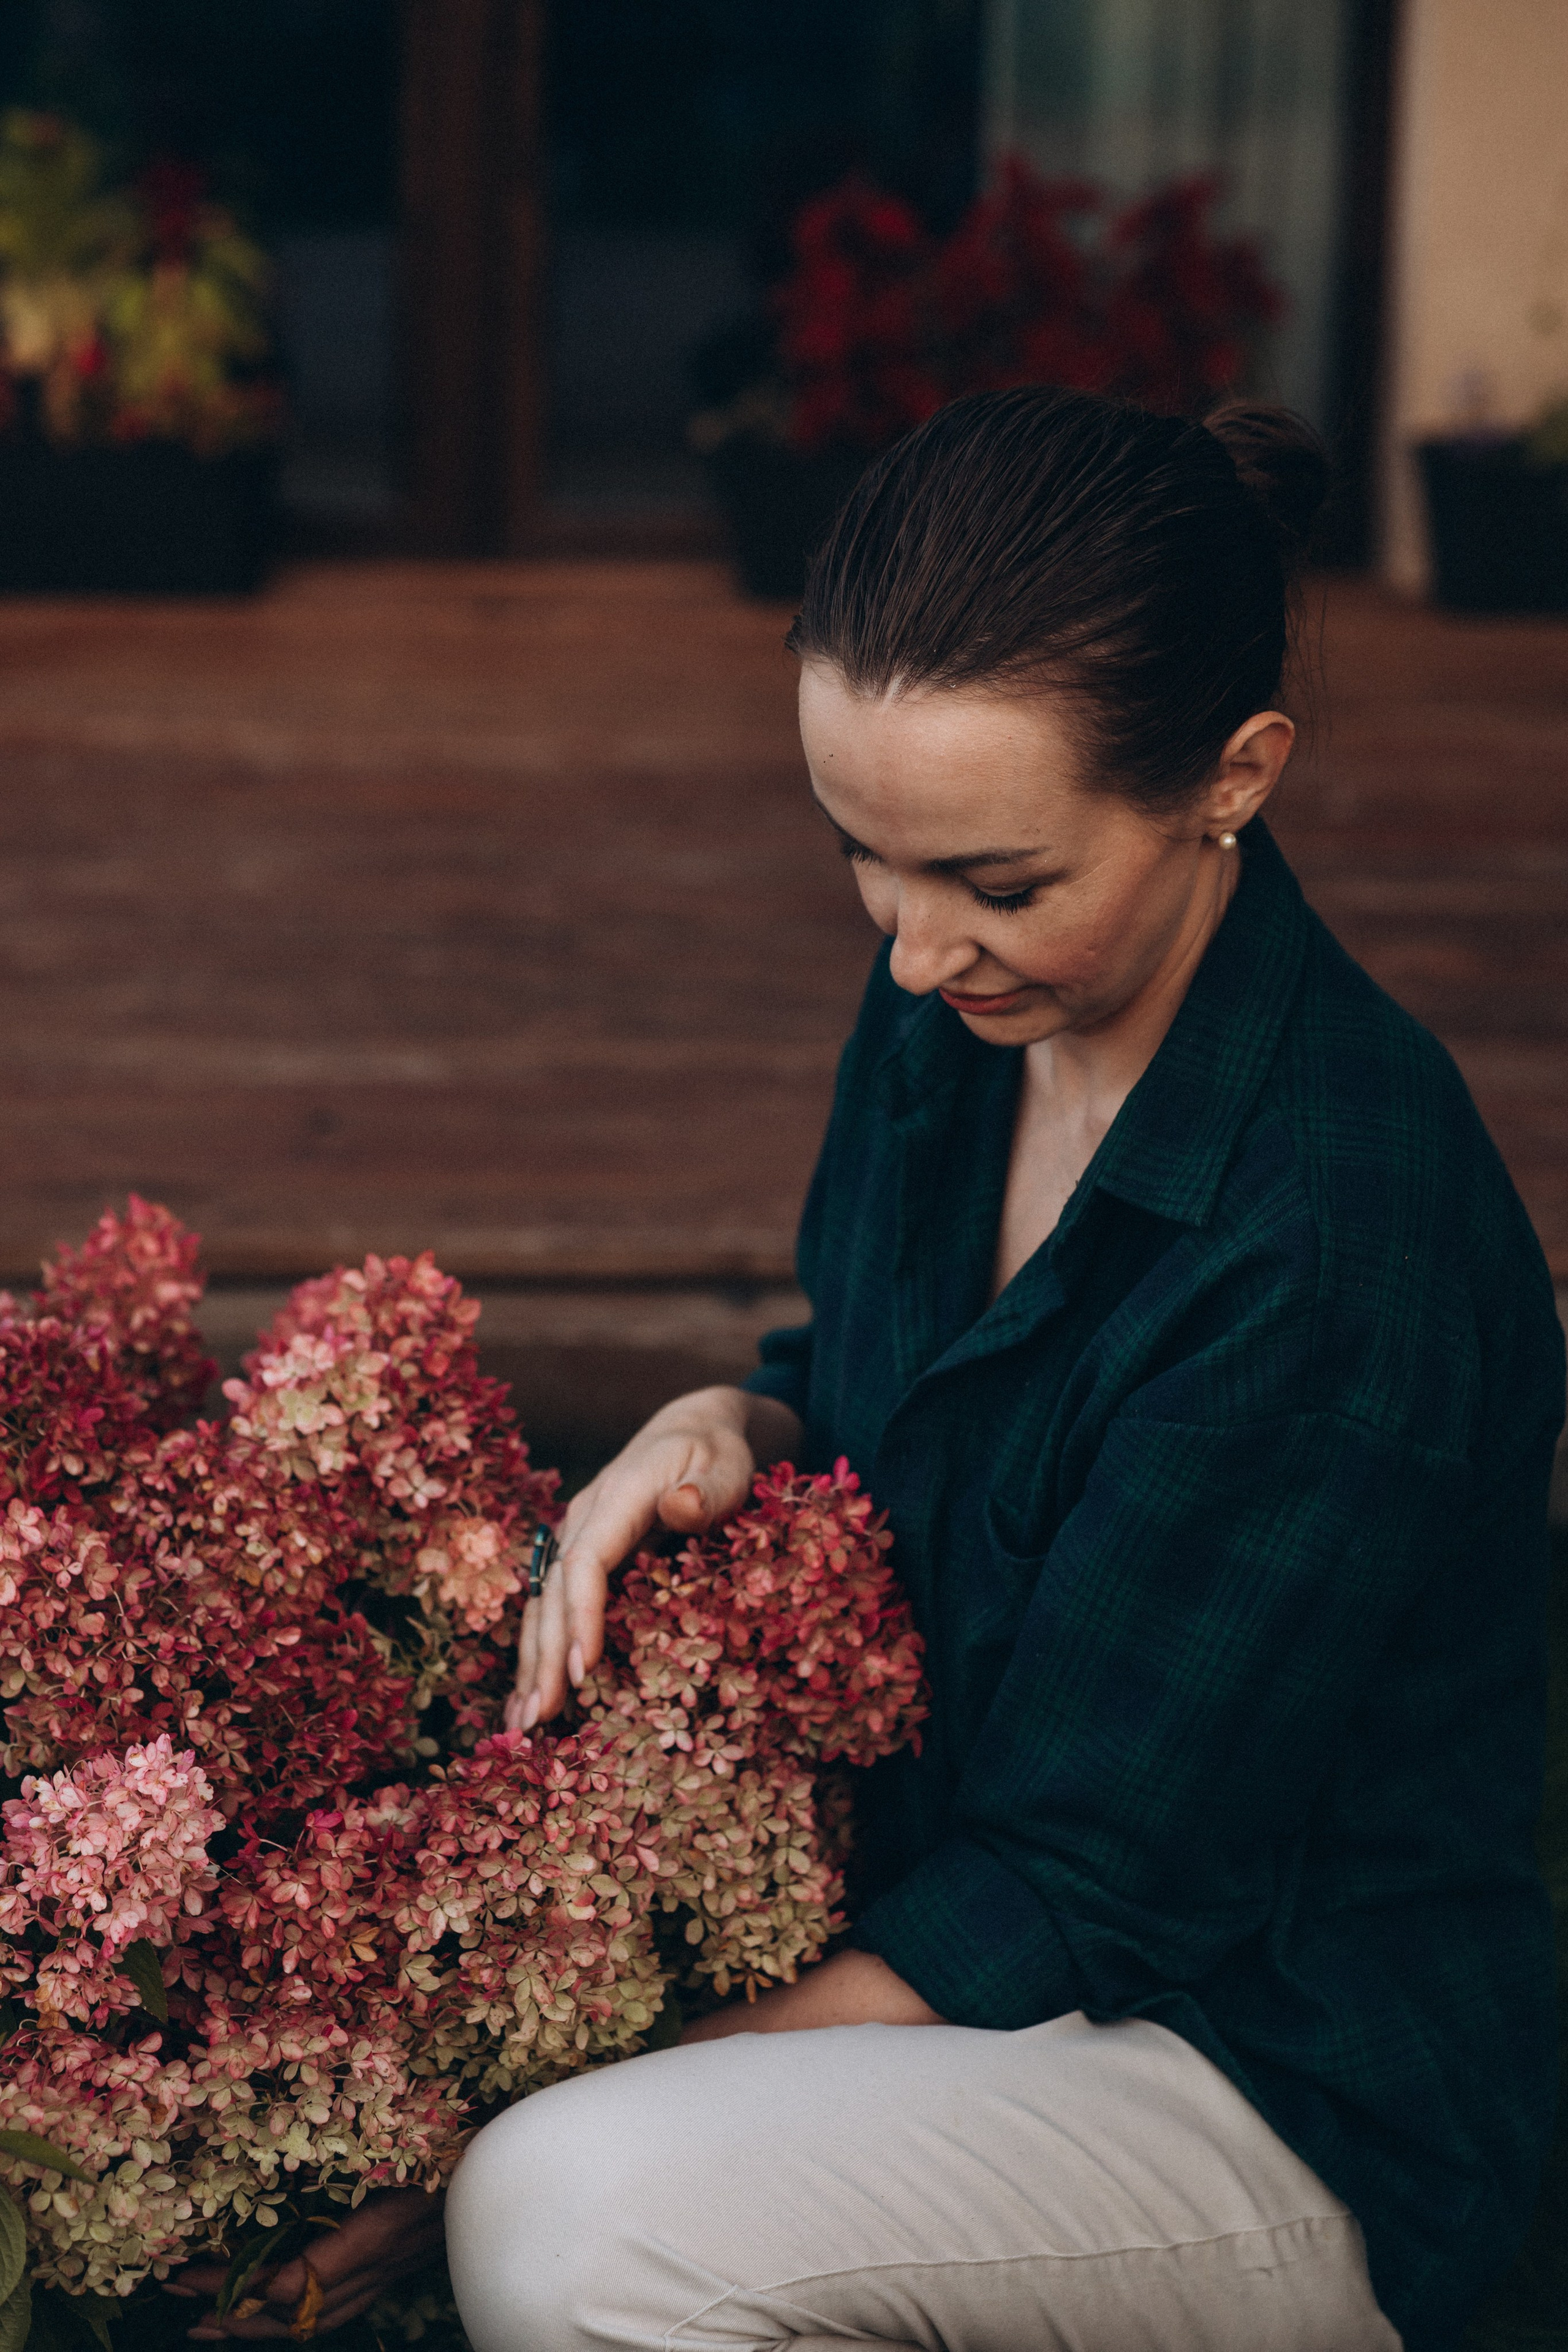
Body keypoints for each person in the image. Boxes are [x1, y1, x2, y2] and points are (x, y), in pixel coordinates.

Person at [177, 388, 1564, 2352]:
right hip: (978, 1926)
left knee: (575, 2220)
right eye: (863, 855)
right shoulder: (964, 1006)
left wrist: (474, 2132)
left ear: (1234, 777)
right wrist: (722, 1424)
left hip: (1264, 2070)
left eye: (1000, 884)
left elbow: (1074, 1898)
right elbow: (874, 1368)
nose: (915, 952)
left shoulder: (1330, 1246)